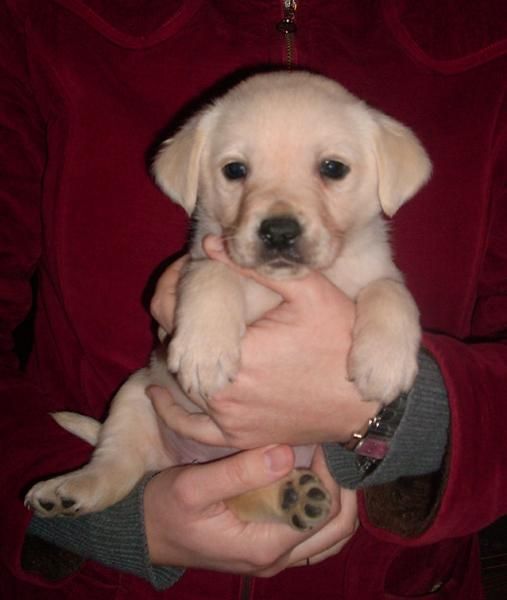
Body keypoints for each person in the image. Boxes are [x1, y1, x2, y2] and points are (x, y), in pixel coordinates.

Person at [1, 0, 506, 598]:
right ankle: (108, 477)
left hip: (376, 567)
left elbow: (384, 292)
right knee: (141, 393)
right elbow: (208, 278)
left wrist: (408, 413)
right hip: (136, 516)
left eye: (332, 169)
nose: (279, 218)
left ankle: (270, 498)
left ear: (383, 175)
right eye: (237, 170)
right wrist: (119, 526)